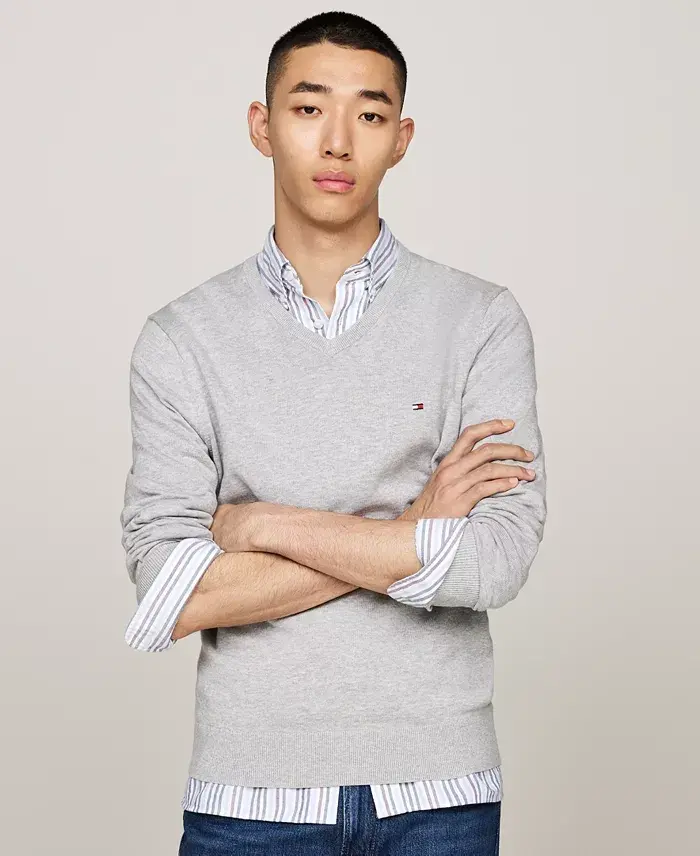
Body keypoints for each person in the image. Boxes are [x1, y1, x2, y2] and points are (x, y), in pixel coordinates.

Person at [119, 10, 547, 855]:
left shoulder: (480, 321)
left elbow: (494, 561)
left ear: (402, 139)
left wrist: (261, 525)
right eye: (310, 108)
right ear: (262, 126)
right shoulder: (181, 340)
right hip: (250, 794)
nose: (339, 142)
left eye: (371, 114)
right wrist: (410, 530)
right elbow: (175, 594)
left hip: (441, 790)